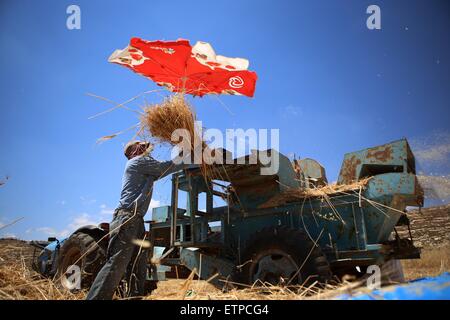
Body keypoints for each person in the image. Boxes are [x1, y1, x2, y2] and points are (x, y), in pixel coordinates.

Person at [86, 140, 187, 300]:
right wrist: (188, 156)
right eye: (139, 143)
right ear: (132, 151)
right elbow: (163, 168)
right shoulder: (138, 161)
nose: (145, 144)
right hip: (127, 217)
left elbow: (162, 169)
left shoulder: (145, 166)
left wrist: (183, 155)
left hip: (136, 219)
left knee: (138, 266)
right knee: (117, 263)